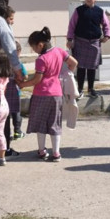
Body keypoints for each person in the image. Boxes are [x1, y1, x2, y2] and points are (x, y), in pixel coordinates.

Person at [18, 27, 78, 161]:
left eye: (34, 48)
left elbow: (37, 80)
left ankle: (41, 151)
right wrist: (65, 74)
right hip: (57, 94)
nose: (34, 51)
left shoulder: (41, 59)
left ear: (40, 44)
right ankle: (56, 153)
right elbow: (74, 63)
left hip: (41, 94)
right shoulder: (59, 51)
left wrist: (23, 84)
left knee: (41, 123)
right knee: (54, 124)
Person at [0, 0, 25, 151]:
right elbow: (11, 49)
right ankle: (5, 149)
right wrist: (18, 70)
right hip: (2, 69)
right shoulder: (0, 22)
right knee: (4, 112)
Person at [66, 0, 110, 97]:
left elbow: (106, 25)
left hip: (94, 42)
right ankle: (80, 89)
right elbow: (72, 25)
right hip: (80, 41)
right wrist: (70, 39)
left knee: (92, 67)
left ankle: (91, 89)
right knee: (80, 67)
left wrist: (107, 36)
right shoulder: (79, 11)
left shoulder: (100, 11)